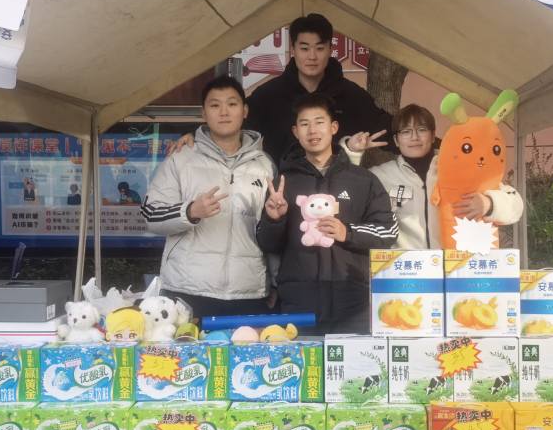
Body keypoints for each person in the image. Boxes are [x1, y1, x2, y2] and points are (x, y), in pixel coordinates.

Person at [256, 93, 397, 334]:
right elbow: (267, 244)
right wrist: (274, 219)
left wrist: (347, 232)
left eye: (319, 122)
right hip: (299, 303)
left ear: (334, 128)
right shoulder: (283, 182)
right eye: (304, 124)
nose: (312, 130)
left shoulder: (363, 179)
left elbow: (388, 232)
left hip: (354, 305)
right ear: (295, 132)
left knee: (353, 361)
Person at [172, 13, 391, 165]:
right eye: (304, 48)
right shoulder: (270, 95)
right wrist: (193, 134)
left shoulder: (351, 95)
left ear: (330, 50)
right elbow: (232, 120)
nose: (312, 56)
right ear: (293, 49)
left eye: (319, 48)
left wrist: (409, 136)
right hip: (282, 193)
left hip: (337, 195)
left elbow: (387, 127)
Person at [141, 75, 276, 318]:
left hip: (249, 292)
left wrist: (275, 283)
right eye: (215, 105)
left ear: (245, 111)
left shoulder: (264, 165)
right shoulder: (181, 158)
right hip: (187, 290)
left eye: (232, 104)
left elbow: (272, 233)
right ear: (203, 113)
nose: (224, 112)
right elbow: (151, 215)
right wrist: (190, 211)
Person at [342, 103, 524, 249]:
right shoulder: (382, 175)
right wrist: (352, 153)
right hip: (406, 273)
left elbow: (515, 206)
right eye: (406, 131)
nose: (414, 137)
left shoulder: (459, 166)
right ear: (396, 140)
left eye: (421, 129)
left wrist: (489, 203)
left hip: (456, 269)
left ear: (432, 135)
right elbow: (347, 195)